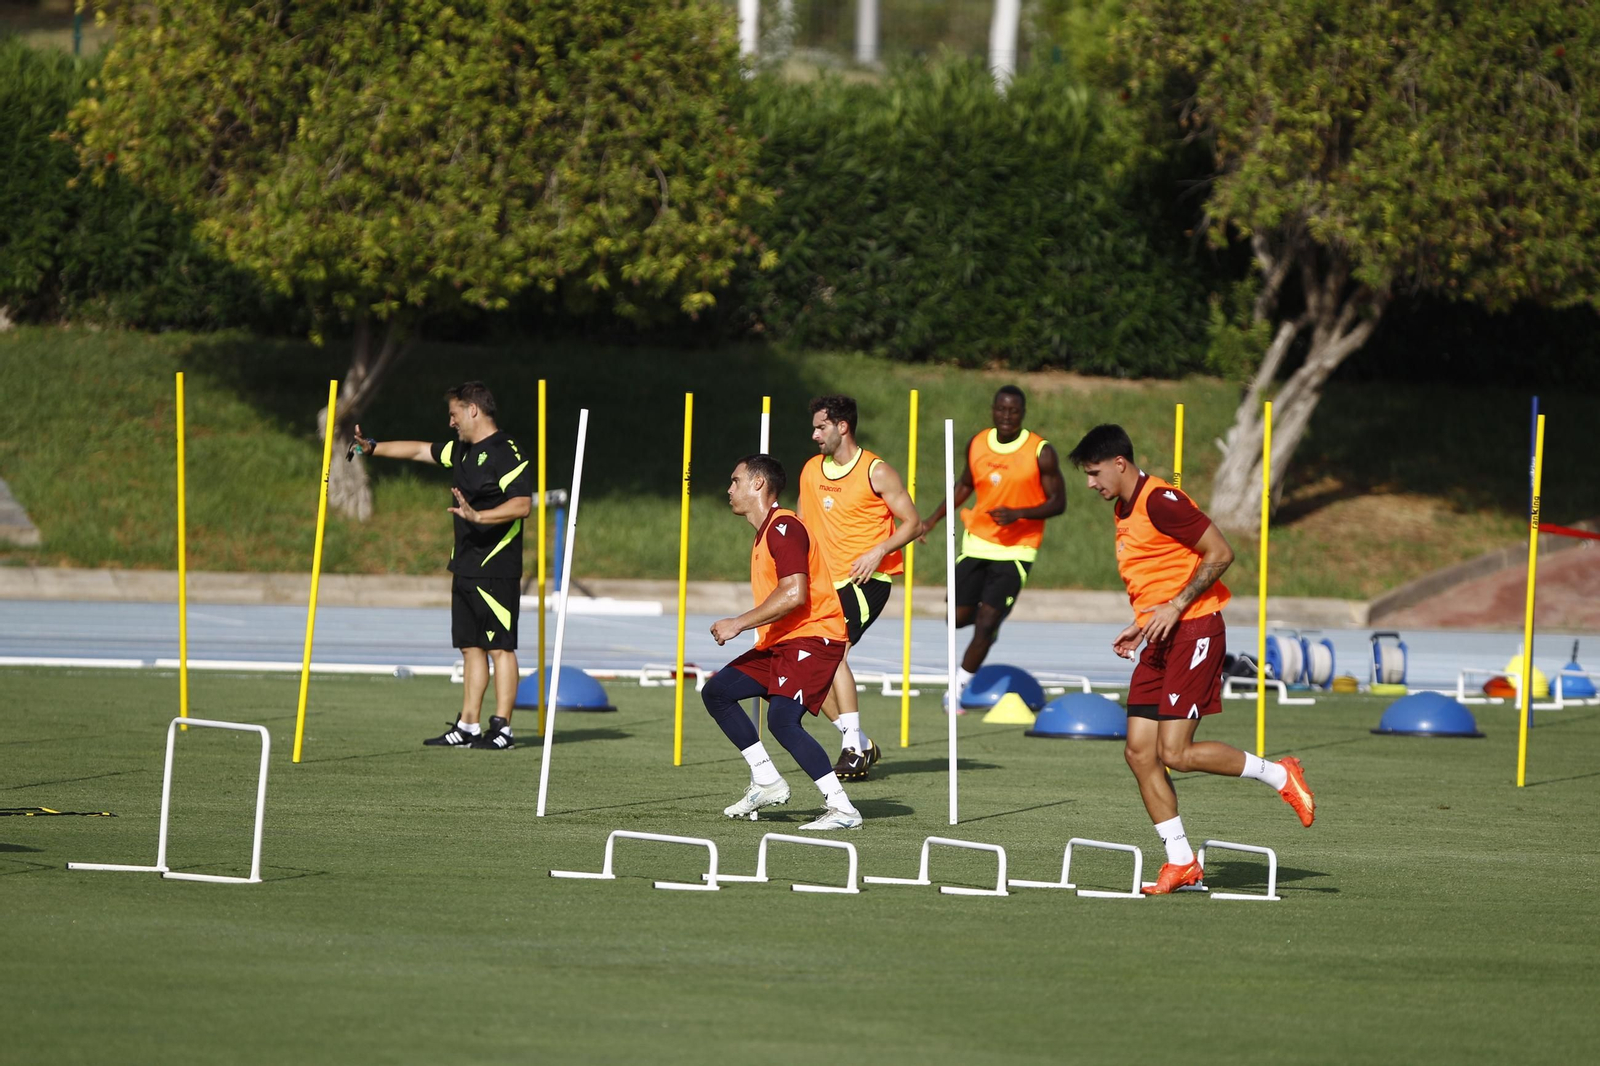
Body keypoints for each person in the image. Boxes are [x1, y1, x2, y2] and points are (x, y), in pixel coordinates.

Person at [1066, 423, 1315, 895]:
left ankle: (1281, 774)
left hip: (1196, 628)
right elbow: (1161, 575)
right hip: (1159, 640)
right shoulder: (1124, 507)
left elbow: (1220, 553)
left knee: (1174, 753)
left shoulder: (1161, 500)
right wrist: (1141, 625)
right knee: (1139, 753)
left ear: (1120, 463)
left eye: (1095, 472)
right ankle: (1181, 861)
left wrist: (1176, 606)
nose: (1090, 483)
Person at [352, 382, 532, 751]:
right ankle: (468, 725)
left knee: (500, 647)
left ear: (473, 410)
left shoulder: (505, 451)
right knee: (470, 647)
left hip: (496, 565)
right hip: (465, 564)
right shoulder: (463, 450)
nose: (450, 422)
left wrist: (480, 517)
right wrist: (373, 447)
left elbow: (522, 505)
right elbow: (420, 450)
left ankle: (502, 729)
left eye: (453, 413)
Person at [702, 455, 863, 830]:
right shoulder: (766, 533)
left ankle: (842, 809)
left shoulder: (784, 527)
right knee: (718, 692)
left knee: (782, 720)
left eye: (735, 480)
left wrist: (737, 624)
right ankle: (766, 779)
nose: (729, 489)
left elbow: (794, 593)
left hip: (815, 637)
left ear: (758, 484)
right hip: (782, 642)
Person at [797, 396, 922, 781]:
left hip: (865, 581)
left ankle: (851, 748)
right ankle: (861, 744)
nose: (814, 434)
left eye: (821, 427)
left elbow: (913, 523)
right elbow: (802, 523)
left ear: (842, 427)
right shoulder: (810, 470)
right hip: (821, 584)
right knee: (805, 674)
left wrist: (878, 551)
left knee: (833, 653)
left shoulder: (876, 471)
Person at [918, 385, 1066, 709]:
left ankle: (956, 689)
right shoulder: (978, 443)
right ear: (993, 410)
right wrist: (931, 520)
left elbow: (1059, 502)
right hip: (976, 544)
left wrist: (1020, 514)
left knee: (985, 623)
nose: (1007, 416)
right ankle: (990, 623)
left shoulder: (1041, 451)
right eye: (1001, 409)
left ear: (1023, 414)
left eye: (1014, 411)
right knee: (955, 618)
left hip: (1017, 550)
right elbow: (964, 486)